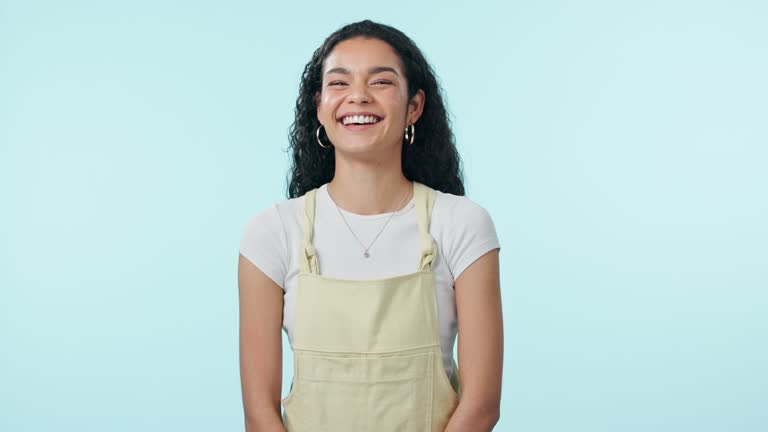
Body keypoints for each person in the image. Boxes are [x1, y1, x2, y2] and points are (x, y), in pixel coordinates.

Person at [238, 19, 503, 432]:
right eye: (339, 83)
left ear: (414, 106)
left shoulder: (461, 224)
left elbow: (482, 405)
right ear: (319, 105)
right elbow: (259, 414)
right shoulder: (272, 232)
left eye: (380, 82)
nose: (358, 96)